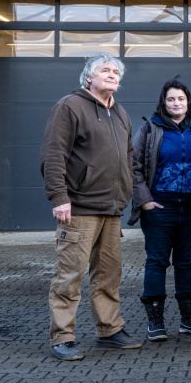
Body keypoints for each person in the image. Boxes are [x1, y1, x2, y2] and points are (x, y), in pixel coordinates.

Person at [40, 53, 141, 361]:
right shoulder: (69, 106)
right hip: (79, 208)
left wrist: (126, 195)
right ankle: (63, 336)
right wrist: (59, 197)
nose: (112, 75)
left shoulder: (121, 112)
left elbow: (129, 159)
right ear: (88, 77)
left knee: (109, 275)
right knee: (70, 275)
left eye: (116, 72)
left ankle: (109, 330)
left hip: (112, 209)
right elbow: (53, 155)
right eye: (105, 70)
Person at [129, 78, 191, 342]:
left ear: (189, 102)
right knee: (157, 262)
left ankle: (189, 320)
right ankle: (156, 322)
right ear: (163, 103)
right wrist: (144, 200)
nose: (176, 103)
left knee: (186, 263)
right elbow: (133, 166)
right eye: (171, 99)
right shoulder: (150, 129)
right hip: (159, 208)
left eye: (181, 99)